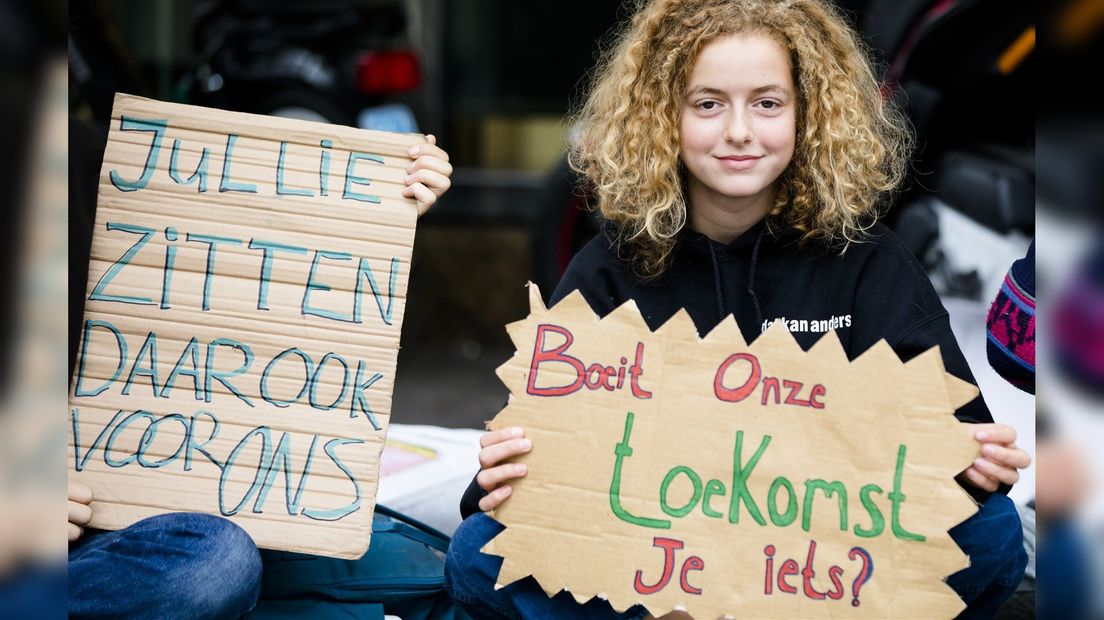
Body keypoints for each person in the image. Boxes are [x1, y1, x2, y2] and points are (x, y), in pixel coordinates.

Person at [444, 1, 1030, 619]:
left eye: (768, 103)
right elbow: (538, 467)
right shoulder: (609, 266)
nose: (740, 131)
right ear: (660, 117)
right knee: (478, 554)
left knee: (991, 532)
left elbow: (955, 433)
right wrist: (498, 472)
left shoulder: (867, 260)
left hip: (816, 560)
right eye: (708, 104)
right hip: (655, 558)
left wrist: (979, 460)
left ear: (813, 114)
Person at [67, 115, 454, 619]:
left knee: (417, 566)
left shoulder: (88, 154)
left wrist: (387, 208)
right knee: (214, 562)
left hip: (118, 515)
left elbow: (233, 257)